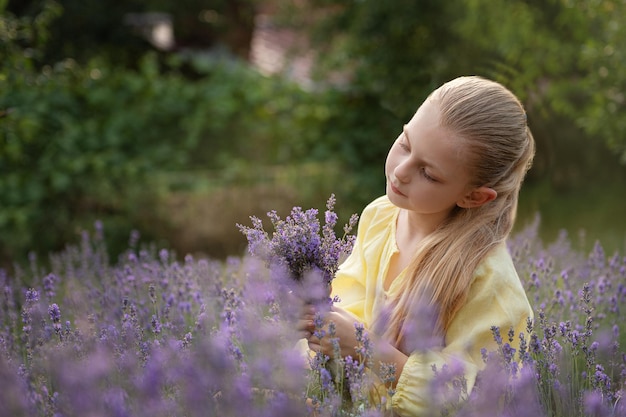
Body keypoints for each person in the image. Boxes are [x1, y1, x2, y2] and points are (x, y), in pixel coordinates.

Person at [299, 76, 535, 416]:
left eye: (428, 172)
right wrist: (316, 326)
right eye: (406, 143)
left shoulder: (489, 284)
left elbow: (471, 399)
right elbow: (349, 305)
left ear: (473, 196)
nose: (401, 171)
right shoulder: (381, 216)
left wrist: (368, 349)